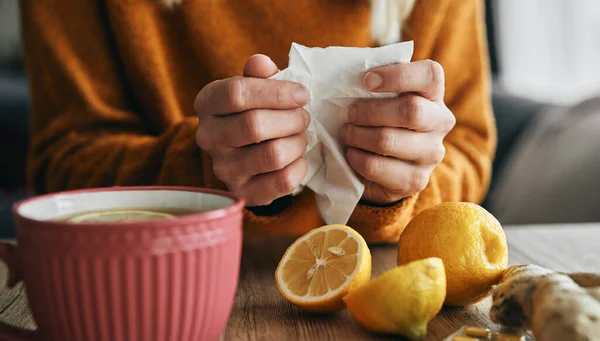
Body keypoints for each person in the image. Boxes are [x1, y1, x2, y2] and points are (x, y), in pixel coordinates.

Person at [20, 0, 495, 243]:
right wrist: (203, 175)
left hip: (374, 290)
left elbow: (468, 145)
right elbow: (63, 159)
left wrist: (396, 187)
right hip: (161, 282)